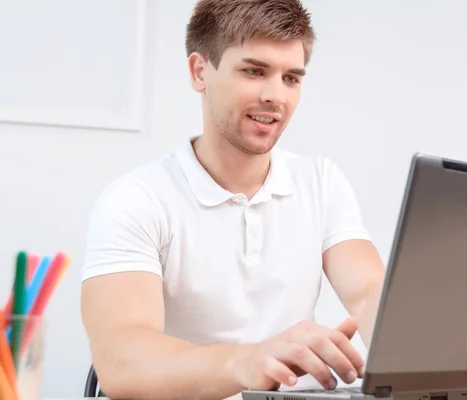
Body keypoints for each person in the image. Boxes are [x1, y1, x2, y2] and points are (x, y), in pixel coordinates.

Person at [80, 0, 386, 399]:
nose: (276, 96)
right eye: (254, 71)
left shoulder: (321, 182)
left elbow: (369, 292)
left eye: (291, 78)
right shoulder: (137, 200)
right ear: (199, 72)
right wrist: (247, 362)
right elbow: (122, 362)